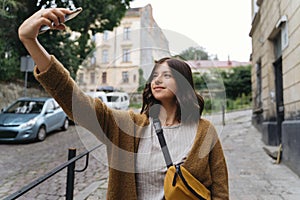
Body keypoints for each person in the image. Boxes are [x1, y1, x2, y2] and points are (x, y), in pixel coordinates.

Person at [18, 8, 229, 199]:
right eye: (155, 75)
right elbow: (77, 103)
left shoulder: (205, 132)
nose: (157, 80)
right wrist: (30, 41)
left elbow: (220, 192)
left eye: (167, 75)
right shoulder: (128, 126)